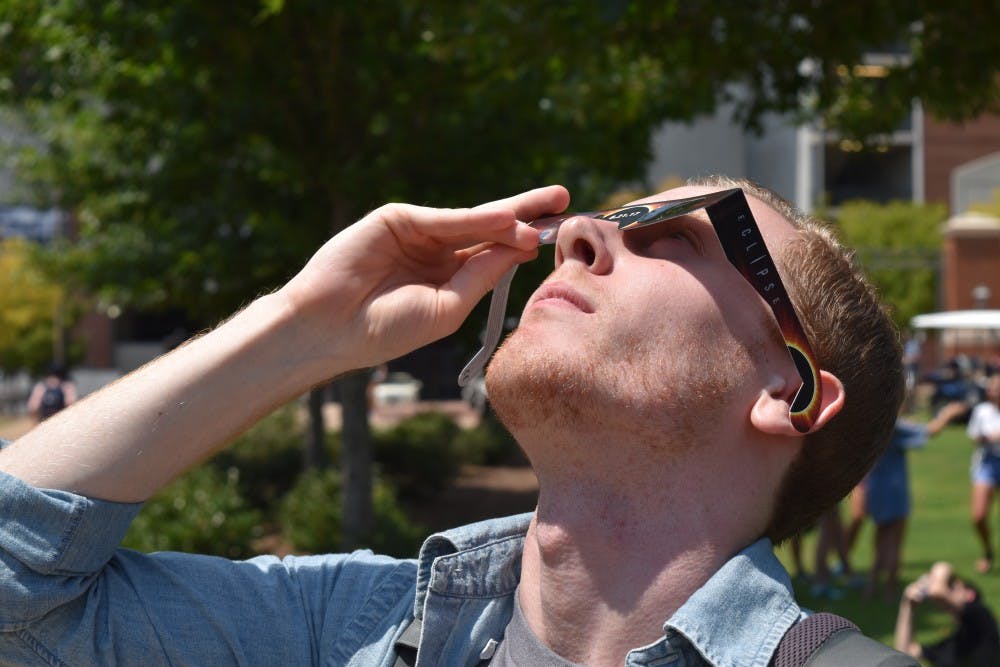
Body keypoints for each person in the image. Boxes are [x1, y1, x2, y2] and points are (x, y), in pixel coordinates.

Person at [0, 177, 911, 666]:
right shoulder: (348, 627)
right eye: (613, 215)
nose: (581, 232)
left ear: (787, 388)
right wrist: (303, 329)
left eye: (678, 233)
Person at [862, 401, 967, 601]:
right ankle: (891, 590)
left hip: (875, 488)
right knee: (894, 541)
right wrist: (948, 414)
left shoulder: (873, 422)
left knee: (879, 540)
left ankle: (871, 587)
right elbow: (930, 431)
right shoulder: (894, 425)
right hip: (894, 490)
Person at [894, 561, 1000, 666]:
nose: (945, 591)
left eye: (951, 586)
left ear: (969, 594)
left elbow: (938, 589)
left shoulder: (980, 615)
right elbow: (904, 652)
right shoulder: (951, 645)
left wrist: (932, 580)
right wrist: (907, 607)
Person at [967, 373, 1000, 574]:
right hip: (987, 463)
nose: (993, 391)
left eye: (997, 387)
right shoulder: (982, 411)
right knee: (979, 516)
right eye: (992, 387)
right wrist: (987, 437)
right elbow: (974, 436)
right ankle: (988, 551)